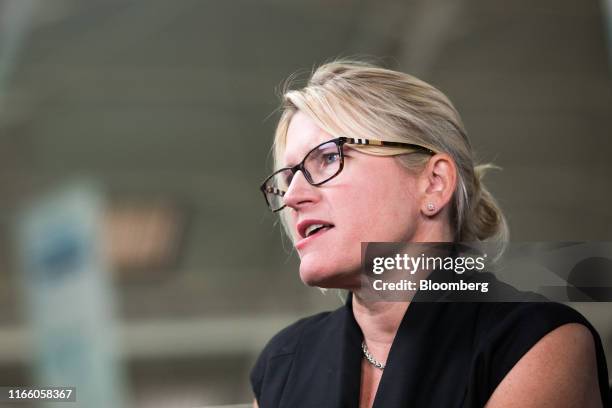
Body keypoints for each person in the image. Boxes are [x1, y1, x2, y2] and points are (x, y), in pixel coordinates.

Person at [251, 60, 610, 407]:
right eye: (287, 178)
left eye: (328, 158)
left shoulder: (537, 342)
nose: (295, 196)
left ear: (433, 184)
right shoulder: (282, 364)